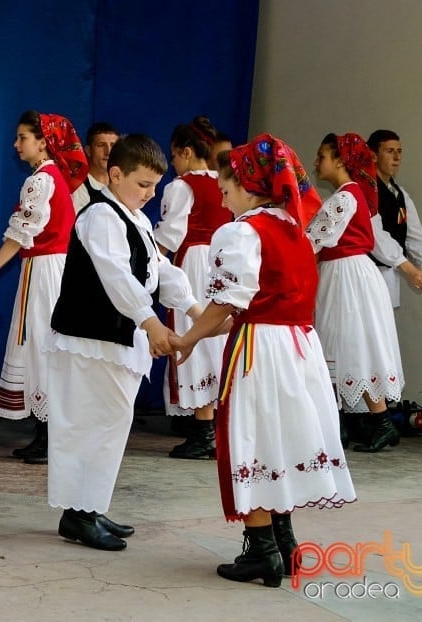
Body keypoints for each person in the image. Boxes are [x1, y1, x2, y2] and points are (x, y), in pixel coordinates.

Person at [171, 134, 356, 587]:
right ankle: (284, 540)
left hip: (259, 348)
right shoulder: (293, 226)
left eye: (227, 183)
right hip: (298, 347)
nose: (221, 192)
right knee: (281, 439)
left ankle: (262, 549)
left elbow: (228, 303)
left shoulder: (241, 231)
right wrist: (193, 336)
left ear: (248, 184)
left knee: (250, 438)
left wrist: (189, 339)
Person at [47, 134, 200, 550]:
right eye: (143, 184)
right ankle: (77, 514)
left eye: (154, 186)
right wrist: (151, 323)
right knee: (88, 424)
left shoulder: (134, 218)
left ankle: (90, 506)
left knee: (110, 424)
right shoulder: (100, 215)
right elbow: (117, 276)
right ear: (115, 174)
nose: (150, 194)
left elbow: (158, 271)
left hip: (114, 340)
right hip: (90, 337)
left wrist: (194, 308)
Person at [0, 111, 87, 465]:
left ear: (43, 141)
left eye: (23, 137)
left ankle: (50, 433)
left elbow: (21, 234)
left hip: (45, 270)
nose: (16, 144)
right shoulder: (56, 179)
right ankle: (48, 430)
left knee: (41, 342)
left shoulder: (40, 181)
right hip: (53, 268)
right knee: (45, 344)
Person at [308, 132, 408, 453]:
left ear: (340, 160)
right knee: (348, 344)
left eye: (322, 156)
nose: (315, 162)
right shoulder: (352, 194)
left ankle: (357, 426)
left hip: (347, 276)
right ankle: (363, 425)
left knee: (343, 342)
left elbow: (312, 240)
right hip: (350, 273)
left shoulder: (345, 197)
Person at [154, 116, 230, 459]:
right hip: (221, 262)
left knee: (194, 332)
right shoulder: (222, 181)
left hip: (195, 265)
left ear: (186, 152)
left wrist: (149, 259)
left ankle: (202, 430)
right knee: (216, 337)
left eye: (174, 156)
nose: (172, 164)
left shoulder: (181, 186)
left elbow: (170, 234)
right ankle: (211, 423)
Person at [366, 130, 422, 305]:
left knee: (386, 328)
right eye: (390, 151)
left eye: (399, 151)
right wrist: (409, 269)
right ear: (373, 156)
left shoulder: (400, 195)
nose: (397, 157)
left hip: (390, 272)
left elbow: (413, 234)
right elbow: (376, 235)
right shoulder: (365, 191)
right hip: (367, 271)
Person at [69, 122, 119, 212]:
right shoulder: (78, 188)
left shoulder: (123, 185)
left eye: (113, 146)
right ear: (88, 151)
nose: (108, 152)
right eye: (101, 145)